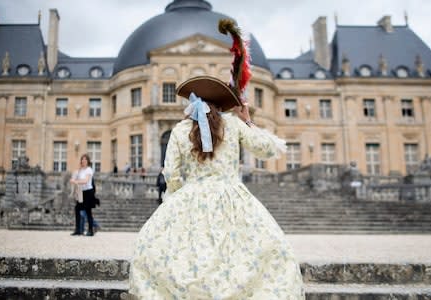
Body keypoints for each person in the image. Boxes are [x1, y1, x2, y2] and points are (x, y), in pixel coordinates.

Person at [127, 76, 304, 298]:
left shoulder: (180, 130)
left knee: (184, 251)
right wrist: (248, 120)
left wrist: (175, 197)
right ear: (220, 104)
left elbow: (171, 172)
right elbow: (266, 150)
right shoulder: (233, 124)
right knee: (247, 250)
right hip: (232, 195)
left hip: (191, 196)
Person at [70, 154, 97, 237]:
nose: (83, 161)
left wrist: (76, 181)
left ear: (88, 161)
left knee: (88, 211)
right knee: (77, 209)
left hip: (89, 192)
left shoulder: (89, 170)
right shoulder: (81, 170)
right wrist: (75, 176)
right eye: (82, 159)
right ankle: (78, 230)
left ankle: (90, 230)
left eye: (85, 159)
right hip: (81, 192)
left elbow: (86, 181)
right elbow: (75, 176)